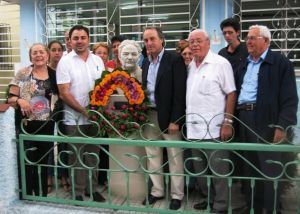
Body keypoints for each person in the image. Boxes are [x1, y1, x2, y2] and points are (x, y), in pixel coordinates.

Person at [235, 25, 298, 213]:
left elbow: (290, 99)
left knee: (269, 168)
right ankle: (253, 205)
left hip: (266, 120)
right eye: (248, 38)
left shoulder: (279, 63)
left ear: (267, 41)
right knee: (249, 166)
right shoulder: (244, 64)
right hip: (243, 117)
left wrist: (282, 126)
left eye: (253, 38)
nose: (249, 41)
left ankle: (271, 208)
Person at [186, 29, 246, 213]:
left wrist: (227, 122)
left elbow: (231, 93)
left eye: (199, 41)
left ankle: (221, 206)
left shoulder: (220, 63)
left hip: (215, 129)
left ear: (208, 43)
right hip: (193, 130)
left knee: (219, 172)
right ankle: (210, 199)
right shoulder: (191, 66)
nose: (195, 45)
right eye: (192, 42)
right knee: (201, 172)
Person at [56, 25, 105, 202]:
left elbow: (104, 87)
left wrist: (97, 112)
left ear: (88, 38)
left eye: (83, 37)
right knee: (76, 156)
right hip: (74, 119)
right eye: (75, 38)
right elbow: (64, 93)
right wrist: (85, 111)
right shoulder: (65, 61)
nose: (79, 41)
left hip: (96, 118)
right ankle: (77, 191)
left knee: (93, 155)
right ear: (70, 40)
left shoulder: (98, 60)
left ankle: (92, 189)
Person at [141, 26, 187, 210]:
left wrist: (176, 120)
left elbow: (180, 92)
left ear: (162, 40)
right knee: (153, 155)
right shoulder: (145, 62)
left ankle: (177, 195)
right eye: (145, 40)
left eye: (152, 39)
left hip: (169, 117)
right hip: (149, 115)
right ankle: (157, 191)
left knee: (175, 157)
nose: (149, 43)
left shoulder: (174, 60)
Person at [7, 43, 58, 197]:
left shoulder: (54, 74)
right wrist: (20, 101)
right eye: (35, 53)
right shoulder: (23, 73)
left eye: (41, 52)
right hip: (26, 124)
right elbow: (10, 98)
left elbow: (61, 96)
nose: (38, 55)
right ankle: (27, 194)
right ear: (31, 57)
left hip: (47, 124)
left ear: (47, 55)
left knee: (43, 161)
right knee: (28, 161)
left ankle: (41, 194)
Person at [46, 40, 70, 193]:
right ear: (48, 51)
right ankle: (48, 177)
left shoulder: (65, 68)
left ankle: (63, 175)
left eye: (59, 49)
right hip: (46, 112)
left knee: (63, 144)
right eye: (53, 49)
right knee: (48, 144)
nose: (56, 52)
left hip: (63, 110)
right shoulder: (43, 70)